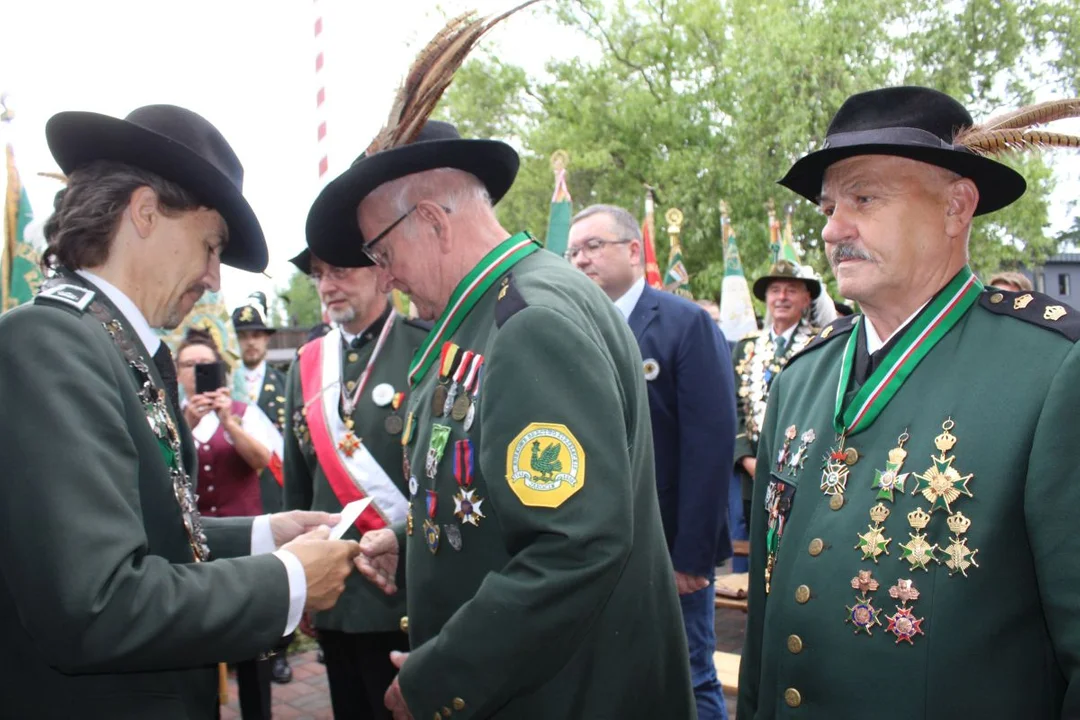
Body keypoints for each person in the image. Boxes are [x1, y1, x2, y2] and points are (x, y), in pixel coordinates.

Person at [309, 120, 696, 719]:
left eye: (382, 255)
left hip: (566, 695)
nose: (384, 277)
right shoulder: (497, 307)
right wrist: (412, 546)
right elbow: (500, 497)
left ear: (434, 222)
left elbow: (575, 546)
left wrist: (442, 679)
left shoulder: (528, 321)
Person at [0, 104, 359, 719]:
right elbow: (98, 604)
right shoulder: (49, 345)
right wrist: (287, 581)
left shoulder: (107, 342)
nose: (215, 279)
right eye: (211, 246)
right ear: (144, 213)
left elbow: (143, 529)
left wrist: (262, 536)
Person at [737, 86, 1080, 718]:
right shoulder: (800, 379)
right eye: (829, 205)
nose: (833, 228)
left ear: (956, 207)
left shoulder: (1054, 372)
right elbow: (767, 618)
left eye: (864, 198)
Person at [568, 203, 735, 719]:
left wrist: (692, 556)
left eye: (594, 247)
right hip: (595, 546)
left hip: (668, 548)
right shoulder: (569, 327)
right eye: (572, 252)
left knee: (689, 675)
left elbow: (709, 446)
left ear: (634, 251)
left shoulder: (684, 324)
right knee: (614, 678)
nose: (581, 261)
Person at [283, 247, 428, 719]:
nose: (326, 286)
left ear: (384, 274)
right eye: (319, 275)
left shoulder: (426, 345)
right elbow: (298, 487)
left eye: (340, 272)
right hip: (336, 590)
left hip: (409, 589)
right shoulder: (307, 363)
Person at [232, 291, 295, 684]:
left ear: (268, 338)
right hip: (235, 490)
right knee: (241, 573)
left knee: (281, 571)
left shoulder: (284, 383)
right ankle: (241, 648)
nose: (251, 342)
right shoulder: (225, 385)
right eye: (243, 335)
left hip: (273, 489)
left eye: (257, 334)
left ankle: (278, 653)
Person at [733, 260, 821, 530]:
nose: (782, 297)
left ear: (806, 299)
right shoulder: (746, 347)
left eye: (791, 290)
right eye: (775, 290)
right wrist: (748, 459)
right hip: (752, 473)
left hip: (802, 471)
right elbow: (734, 408)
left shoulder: (822, 344)